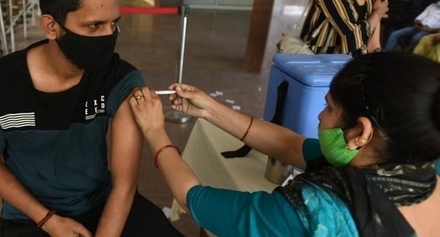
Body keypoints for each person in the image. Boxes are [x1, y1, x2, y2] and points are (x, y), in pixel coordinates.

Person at [0, 0, 182, 237]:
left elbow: (124, 184)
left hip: (104, 204)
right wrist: (48, 220)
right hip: (31, 216)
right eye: (94, 26)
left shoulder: (120, 80)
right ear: (51, 27)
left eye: (114, 24)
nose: (108, 37)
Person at [129, 52, 440, 237]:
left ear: (361, 132)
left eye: (330, 108)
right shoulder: (415, 167)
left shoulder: (314, 213)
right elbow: (292, 146)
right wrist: (209, 108)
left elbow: (194, 199)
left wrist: (155, 132)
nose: (320, 116)